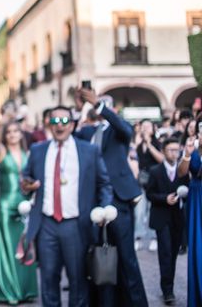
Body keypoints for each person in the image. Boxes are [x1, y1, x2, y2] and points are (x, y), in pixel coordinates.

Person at [21, 105, 112, 307]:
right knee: (48, 279)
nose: (59, 126)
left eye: (64, 122)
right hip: (46, 224)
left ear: (72, 125)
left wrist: (105, 209)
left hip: (76, 224)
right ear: (49, 125)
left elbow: (104, 184)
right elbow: (25, 180)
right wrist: (27, 185)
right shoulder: (38, 150)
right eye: (55, 121)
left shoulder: (89, 151)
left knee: (78, 280)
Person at [74, 88, 148, 307]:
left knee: (126, 258)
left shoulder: (118, 131)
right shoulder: (86, 133)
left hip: (119, 200)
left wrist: (99, 105)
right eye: (95, 104)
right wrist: (81, 114)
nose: (97, 106)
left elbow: (122, 126)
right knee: (98, 257)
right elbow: (72, 141)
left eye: (102, 104)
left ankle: (135, 303)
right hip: (93, 201)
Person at [0, 120, 37, 304]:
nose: (12, 134)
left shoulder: (28, 153)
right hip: (5, 205)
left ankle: (25, 290)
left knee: (25, 246)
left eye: (16, 131)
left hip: (24, 205)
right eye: (9, 132)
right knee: (8, 248)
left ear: (21, 134)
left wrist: (32, 186)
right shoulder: (0, 152)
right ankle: (10, 291)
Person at [146, 137, 189, 305]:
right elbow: (149, 194)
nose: (174, 153)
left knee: (173, 254)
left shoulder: (182, 171)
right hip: (161, 217)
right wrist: (165, 198)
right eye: (170, 150)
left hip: (177, 218)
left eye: (177, 150)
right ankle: (167, 290)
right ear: (163, 151)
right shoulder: (155, 170)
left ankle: (168, 284)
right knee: (165, 253)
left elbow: (187, 192)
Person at [178, 120, 202, 307]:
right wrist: (187, 153)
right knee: (198, 246)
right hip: (196, 197)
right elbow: (181, 173)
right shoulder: (191, 146)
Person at [134, 119, 163, 252]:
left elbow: (160, 159)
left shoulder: (157, 143)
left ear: (153, 129)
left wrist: (149, 144)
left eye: (148, 126)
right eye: (143, 126)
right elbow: (132, 156)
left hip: (155, 181)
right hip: (141, 181)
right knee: (139, 211)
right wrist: (139, 141)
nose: (145, 129)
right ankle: (138, 237)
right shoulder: (138, 144)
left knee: (153, 210)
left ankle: (153, 238)